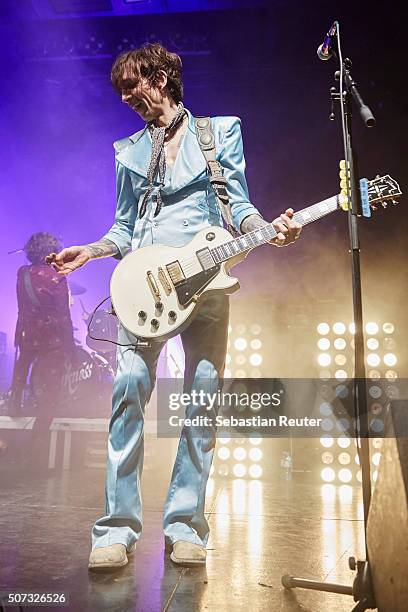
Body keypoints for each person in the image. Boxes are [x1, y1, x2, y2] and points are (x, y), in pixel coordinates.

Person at [47, 43, 302, 570]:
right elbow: (123, 227)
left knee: (202, 403)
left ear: (161, 77)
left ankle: (186, 526)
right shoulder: (127, 151)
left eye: (132, 84)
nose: (125, 96)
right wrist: (91, 250)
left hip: (206, 283)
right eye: (120, 90)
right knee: (127, 398)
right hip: (144, 290)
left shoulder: (219, 132)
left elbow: (240, 205)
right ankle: (115, 530)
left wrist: (268, 232)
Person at [9, 232, 75, 415]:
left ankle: (15, 402)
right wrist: (71, 350)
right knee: (50, 387)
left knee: (23, 363)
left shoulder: (22, 273)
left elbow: (22, 304)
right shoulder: (57, 277)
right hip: (50, 337)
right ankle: (43, 420)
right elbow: (64, 316)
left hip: (25, 333)